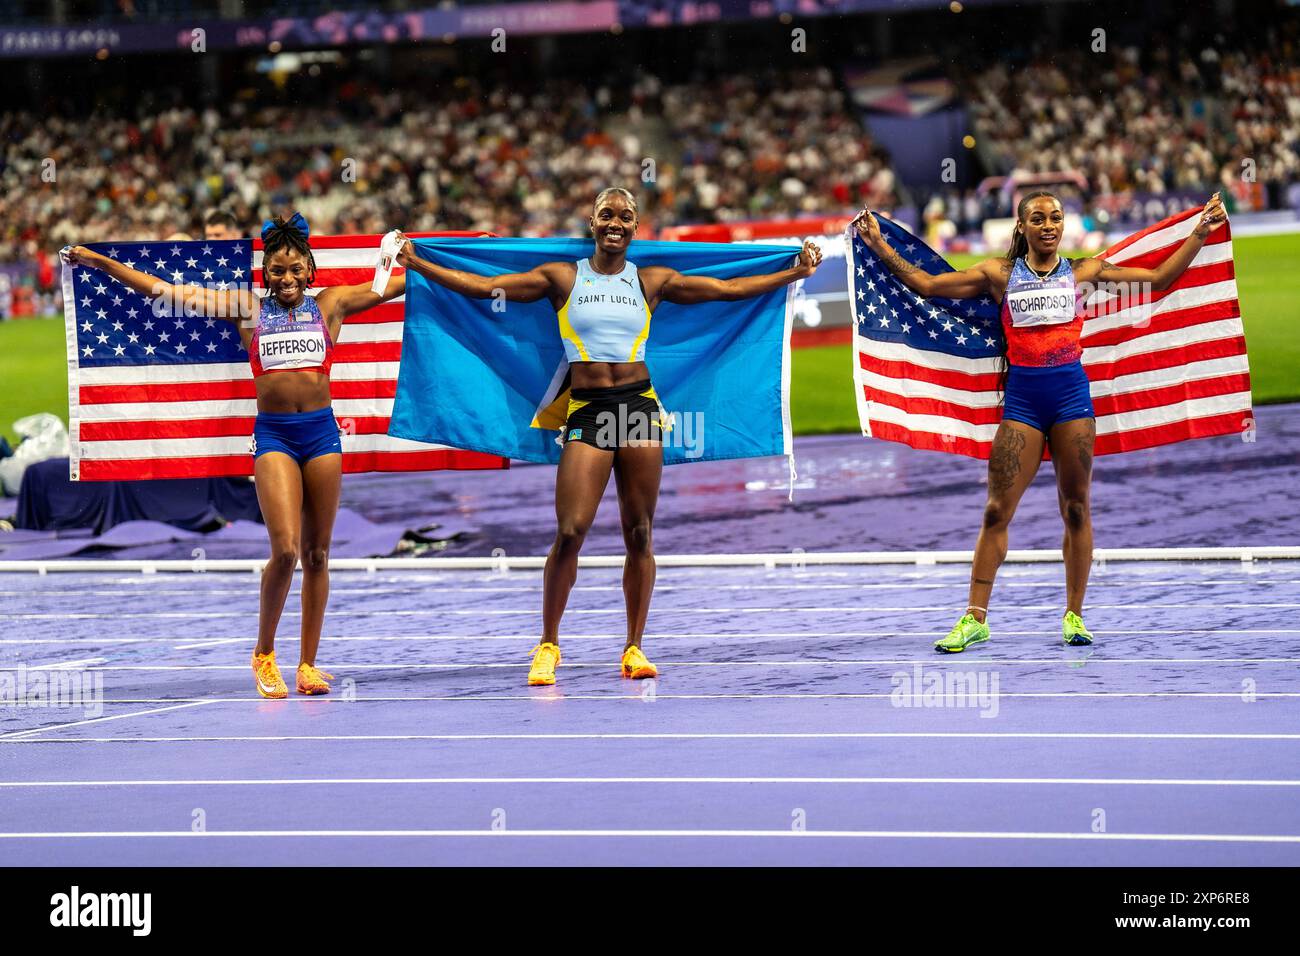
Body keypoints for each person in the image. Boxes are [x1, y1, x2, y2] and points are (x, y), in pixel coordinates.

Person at [397, 187, 822, 685]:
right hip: (588, 410)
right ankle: (549, 644)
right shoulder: (562, 277)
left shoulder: (651, 280)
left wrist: (795, 271)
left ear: (636, 227)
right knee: (570, 531)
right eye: (606, 215)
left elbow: (727, 292)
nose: (615, 223)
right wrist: (419, 264)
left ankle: (634, 647)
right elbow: (483, 284)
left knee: (639, 533)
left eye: (625, 216)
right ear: (592, 222)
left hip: (638, 408)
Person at [855, 190, 1227, 652]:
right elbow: (928, 286)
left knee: (1075, 508)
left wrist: (1199, 232)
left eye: (1055, 217)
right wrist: (879, 245)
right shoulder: (999, 274)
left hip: (1071, 401)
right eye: (1038, 218)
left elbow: (1158, 277)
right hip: (1024, 405)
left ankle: (1074, 616)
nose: (1049, 225)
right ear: (1021, 227)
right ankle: (975, 618)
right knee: (996, 510)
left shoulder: (1084, 271)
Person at [62, 213, 408, 696]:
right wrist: (99, 261)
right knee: (286, 551)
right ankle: (265, 653)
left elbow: (397, 284)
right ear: (265, 273)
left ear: (310, 269)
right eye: (277, 270)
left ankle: (308, 664)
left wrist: (470, 254)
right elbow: (166, 292)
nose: (286, 278)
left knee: (317, 553)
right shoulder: (247, 310)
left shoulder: (333, 304)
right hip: (275, 438)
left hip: (322, 436)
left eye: (294, 269)